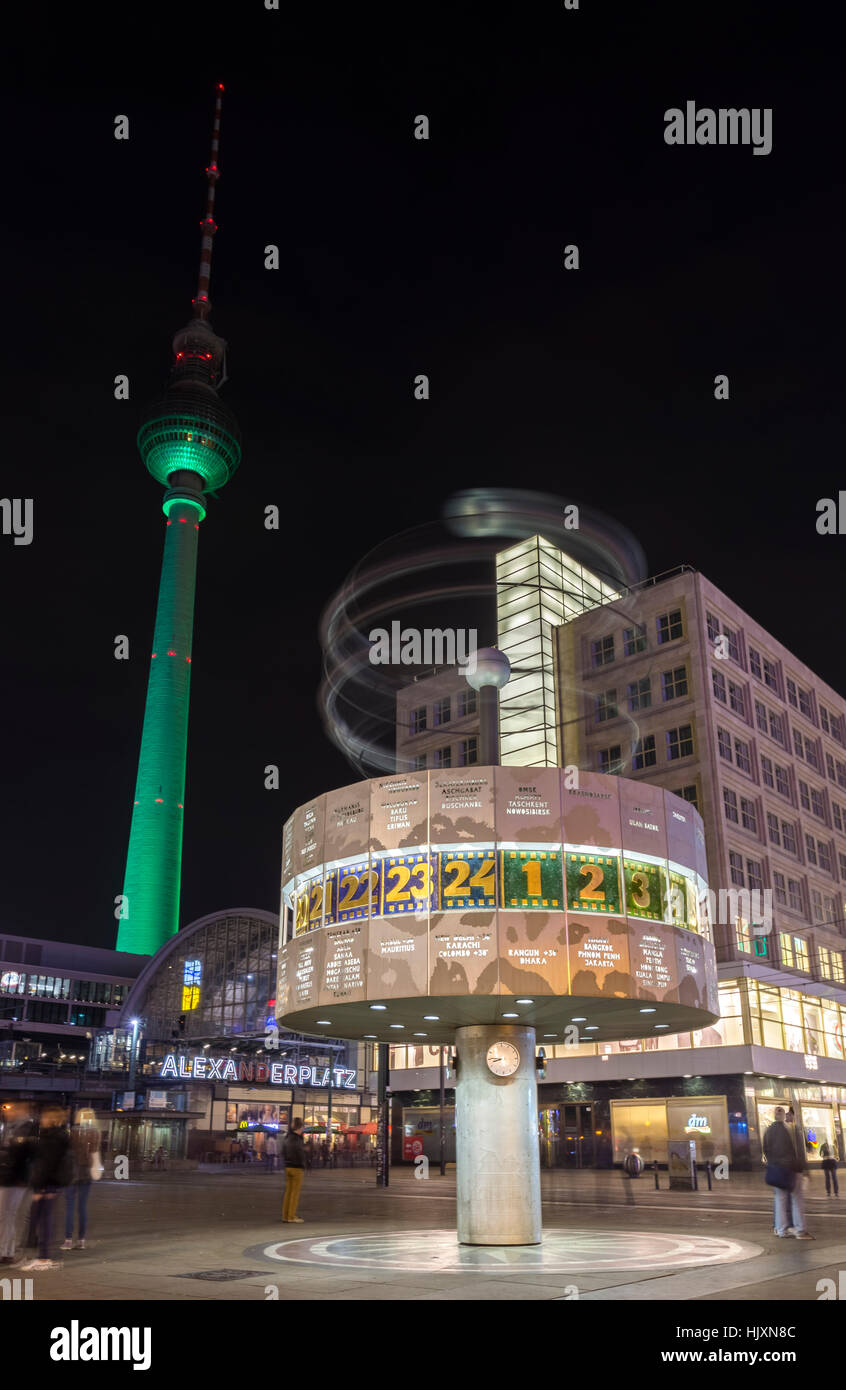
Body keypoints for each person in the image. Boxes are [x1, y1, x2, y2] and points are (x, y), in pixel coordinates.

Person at [21, 1108, 73, 1270]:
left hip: (46, 1183)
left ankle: (43, 1258)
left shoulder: (52, 1137)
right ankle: (41, 1256)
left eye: (44, 1117)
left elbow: (46, 1164)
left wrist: (39, 1187)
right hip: (52, 1183)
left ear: (50, 1119)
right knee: (43, 1219)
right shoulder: (59, 1135)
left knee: (41, 1220)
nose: (41, 1119)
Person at [763, 1106, 813, 1240]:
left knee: (780, 1200)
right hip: (792, 1169)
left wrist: (773, 1163)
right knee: (797, 1199)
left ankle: (781, 1230)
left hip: (776, 1169)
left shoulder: (768, 1131)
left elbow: (766, 1150)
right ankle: (800, 1230)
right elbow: (800, 1151)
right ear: (784, 1115)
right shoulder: (792, 1129)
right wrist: (804, 1169)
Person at [61, 1110, 101, 1251]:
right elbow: (94, 1153)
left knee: (70, 1207)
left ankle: (67, 1240)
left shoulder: (71, 1132)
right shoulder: (95, 1132)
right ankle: (81, 1240)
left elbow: (66, 1152)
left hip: (72, 1172)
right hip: (86, 1173)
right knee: (82, 1208)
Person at [0, 1120, 37, 1264]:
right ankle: (7, 1251)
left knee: (5, 1216)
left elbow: (20, 1157)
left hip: (12, 1179)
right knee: (8, 1216)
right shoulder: (16, 1129)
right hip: (14, 1179)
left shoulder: (24, 1129)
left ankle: (5, 1251)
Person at [281, 1118, 306, 1223]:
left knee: (288, 1192)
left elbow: (283, 1151)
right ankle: (292, 1216)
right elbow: (300, 1153)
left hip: (288, 1166)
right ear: (300, 1127)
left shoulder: (287, 1137)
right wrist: (303, 1164)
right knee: (295, 1193)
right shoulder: (298, 1139)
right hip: (297, 1168)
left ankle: (285, 1215)